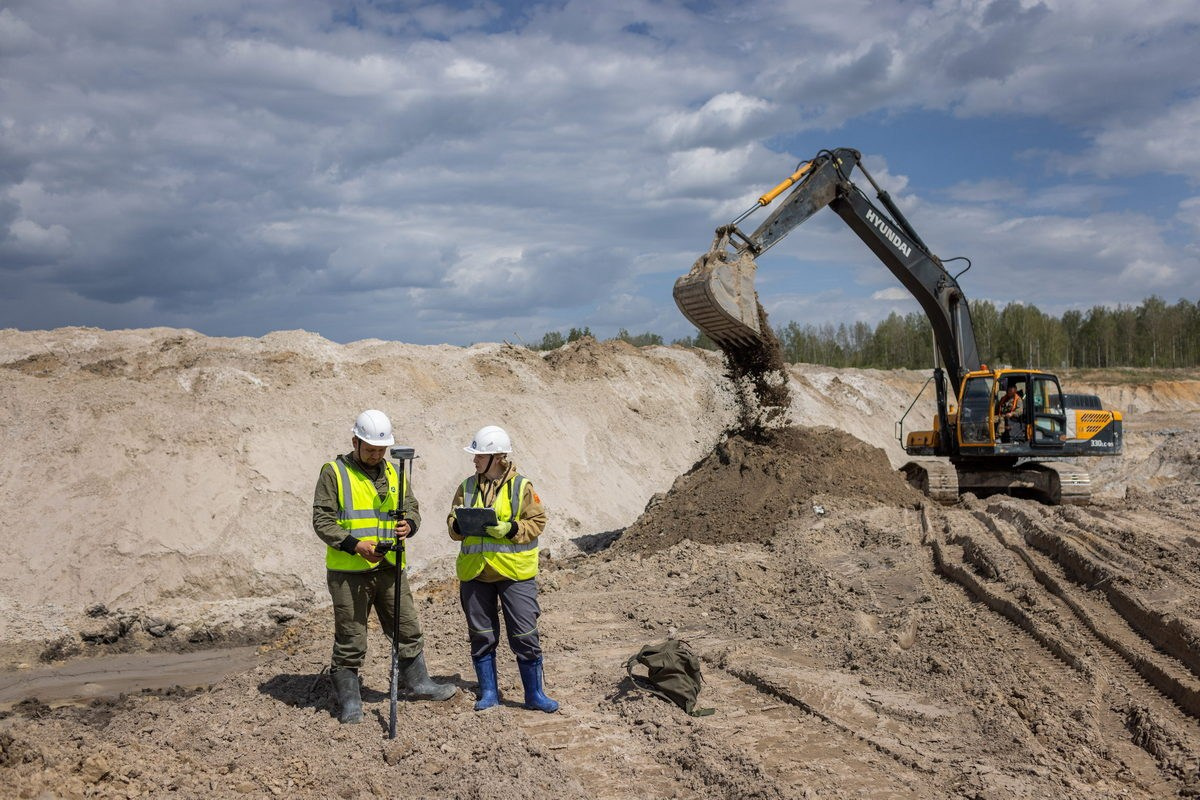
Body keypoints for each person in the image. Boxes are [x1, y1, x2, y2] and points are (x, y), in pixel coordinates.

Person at [312, 409, 456, 724]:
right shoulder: (333, 473)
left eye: (382, 450)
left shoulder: (394, 472)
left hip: (390, 566)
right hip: (349, 572)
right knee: (351, 638)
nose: (377, 455)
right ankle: (351, 700)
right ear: (355, 441)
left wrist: (410, 526)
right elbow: (322, 520)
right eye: (371, 449)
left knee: (407, 628)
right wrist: (356, 545)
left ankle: (418, 682)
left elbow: (411, 508)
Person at [447, 425, 558, 713]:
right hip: (475, 572)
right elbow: (452, 521)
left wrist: (510, 529)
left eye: (479, 455)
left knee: (524, 634)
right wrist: (458, 525)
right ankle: (488, 694)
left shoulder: (522, 487)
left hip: (514, 574)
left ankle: (534, 695)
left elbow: (538, 523)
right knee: (481, 634)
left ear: (497, 457)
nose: (474, 461)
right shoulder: (467, 486)